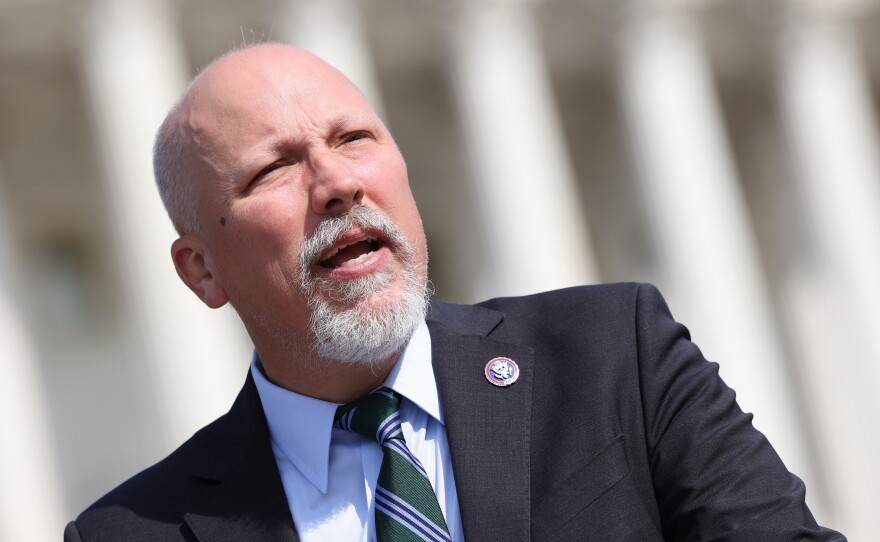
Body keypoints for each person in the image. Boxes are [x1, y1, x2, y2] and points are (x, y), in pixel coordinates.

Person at [65, 43, 845, 541]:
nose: (336, 183)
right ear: (202, 269)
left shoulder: (615, 358)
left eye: (354, 139)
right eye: (275, 169)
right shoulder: (131, 532)